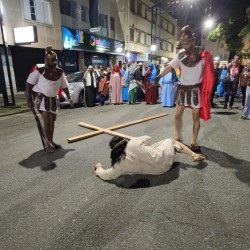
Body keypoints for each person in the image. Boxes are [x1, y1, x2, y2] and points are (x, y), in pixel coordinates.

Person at [154, 25, 214, 152]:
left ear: (193, 41)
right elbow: (170, 67)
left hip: (195, 90)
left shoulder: (203, 55)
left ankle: (194, 141)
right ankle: (178, 136)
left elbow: (209, 74)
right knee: (177, 115)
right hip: (182, 89)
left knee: (195, 117)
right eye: (183, 43)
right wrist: (159, 76)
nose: (185, 46)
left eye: (187, 43)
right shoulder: (180, 54)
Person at [94, 135, 206, 181]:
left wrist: (99, 168)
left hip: (158, 170)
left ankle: (192, 155)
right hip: (163, 158)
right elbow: (149, 139)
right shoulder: (133, 142)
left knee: (154, 148)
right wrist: (136, 139)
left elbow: (107, 175)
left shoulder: (120, 163)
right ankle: (193, 155)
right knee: (170, 140)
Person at [25, 45, 74, 151]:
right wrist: (29, 100)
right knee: (48, 121)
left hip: (53, 99)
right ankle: (48, 144)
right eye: (52, 60)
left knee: (52, 121)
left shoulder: (59, 72)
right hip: (41, 99)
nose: (55, 61)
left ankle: (50, 141)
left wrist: (69, 98)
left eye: (55, 59)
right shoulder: (39, 70)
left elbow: (64, 86)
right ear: (47, 60)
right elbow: (28, 85)